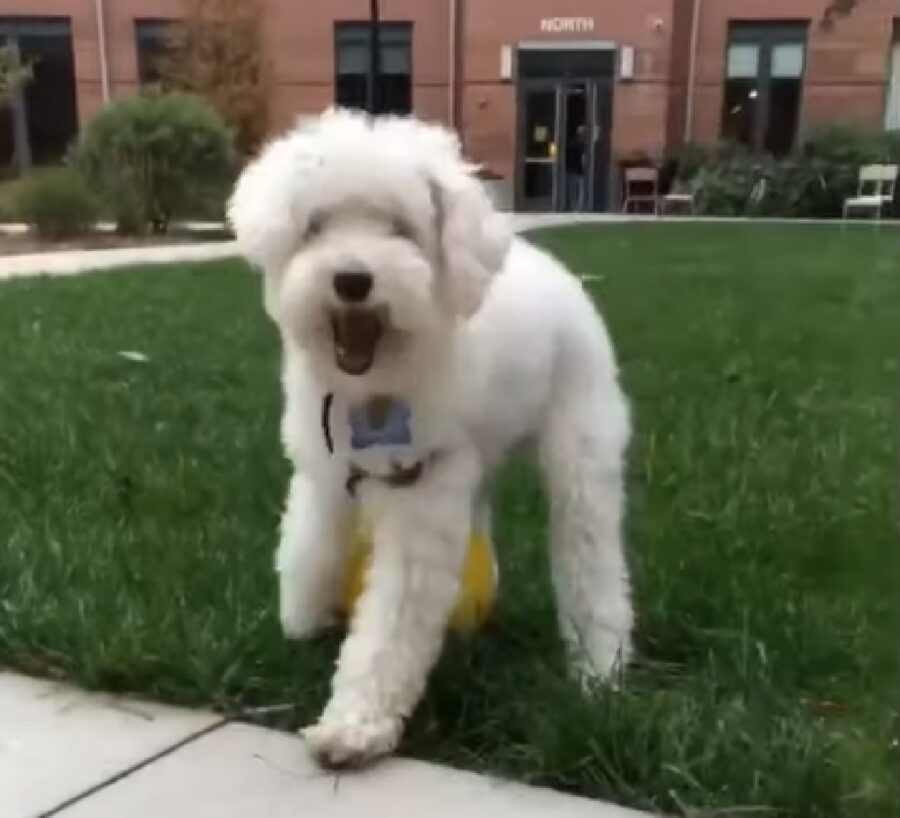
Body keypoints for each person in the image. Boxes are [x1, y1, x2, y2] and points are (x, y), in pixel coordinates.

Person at [565, 125, 587, 212]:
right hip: (578, 170)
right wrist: (584, 168)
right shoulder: (582, 144)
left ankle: (571, 206)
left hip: (570, 168)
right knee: (579, 190)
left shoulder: (570, 143)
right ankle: (578, 207)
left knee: (571, 189)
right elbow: (583, 158)